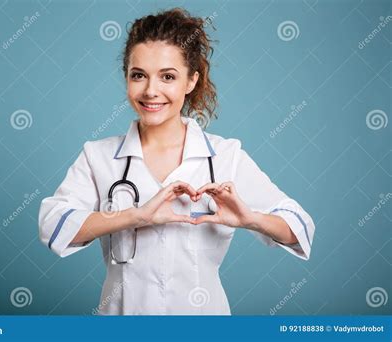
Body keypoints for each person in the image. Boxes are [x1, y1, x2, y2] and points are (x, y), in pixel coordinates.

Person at [39, 8, 315, 315]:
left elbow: (299, 227)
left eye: (167, 77)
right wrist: (134, 217)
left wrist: (251, 219)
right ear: (126, 78)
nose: (150, 91)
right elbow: (53, 226)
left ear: (191, 81)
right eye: (138, 75)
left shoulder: (224, 156)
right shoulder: (98, 156)